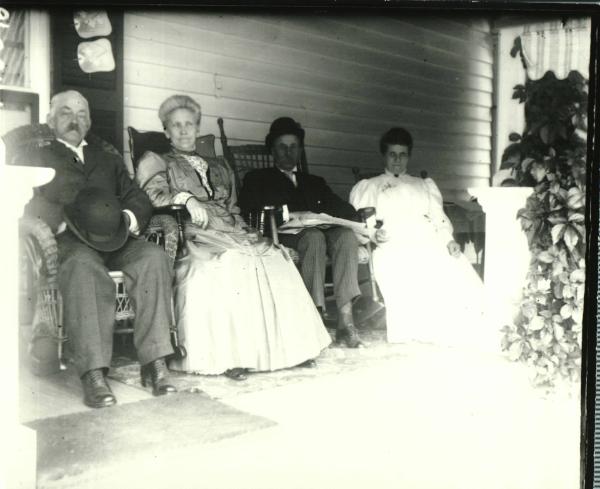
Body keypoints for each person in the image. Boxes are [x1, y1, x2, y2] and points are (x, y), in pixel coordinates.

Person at [135, 95, 331, 380]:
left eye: (189, 124)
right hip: (195, 233)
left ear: (197, 127)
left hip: (232, 230)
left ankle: (293, 350)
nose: (184, 130)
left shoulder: (219, 165)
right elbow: (153, 195)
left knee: (276, 258)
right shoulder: (156, 161)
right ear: (166, 131)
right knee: (227, 264)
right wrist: (186, 198)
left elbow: (233, 207)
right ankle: (233, 357)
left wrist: (250, 234)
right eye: (175, 126)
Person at [20, 90, 176, 408]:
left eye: (81, 114)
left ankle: (155, 361)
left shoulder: (108, 159)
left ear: (89, 121)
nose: (74, 120)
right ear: (51, 120)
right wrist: (57, 222)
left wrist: (129, 218)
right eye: (65, 112)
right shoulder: (36, 157)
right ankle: (93, 372)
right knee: (83, 269)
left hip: (116, 237)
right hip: (72, 239)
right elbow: (26, 200)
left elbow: (136, 196)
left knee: (152, 258)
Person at [349, 127, 487, 349]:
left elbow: (438, 218)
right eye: (392, 154)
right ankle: (426, 328)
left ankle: (454, 325)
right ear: (384, 155)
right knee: (410, 266)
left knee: (451, 265)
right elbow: (366, 220)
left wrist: (448, 240)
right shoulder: (371, 185)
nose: (397, 160)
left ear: (409, 156)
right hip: (393, 241)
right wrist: (375, 234)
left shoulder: (422, 184)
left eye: (403, 154)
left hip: (427, 237)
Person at [238, 117, 364, 348]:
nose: (288, 152)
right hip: (285, 234)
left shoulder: (314, 180)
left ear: (301, 149)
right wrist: (284, 216)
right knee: (314, 238)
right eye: (282, 147)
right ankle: (313, 320)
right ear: (272, 150)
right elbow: (249, 212)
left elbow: (340, 207)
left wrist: (355, 217)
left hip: (317, 229)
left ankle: (346, 321)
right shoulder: (258, 179)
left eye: (294, 147)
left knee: (345, 236)